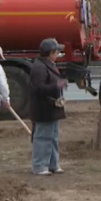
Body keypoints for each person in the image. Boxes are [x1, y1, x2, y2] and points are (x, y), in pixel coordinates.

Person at [30, 38, 68, 176]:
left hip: (51, 108)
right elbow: (38, 89)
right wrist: (57, 85)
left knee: (53, 137)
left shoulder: (47, 64)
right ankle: (40, 166)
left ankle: (53, 164)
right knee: (43, 137)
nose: (58, 53)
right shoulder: (39, 67)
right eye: (57, 51)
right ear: (50, 52)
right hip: (44, 109)